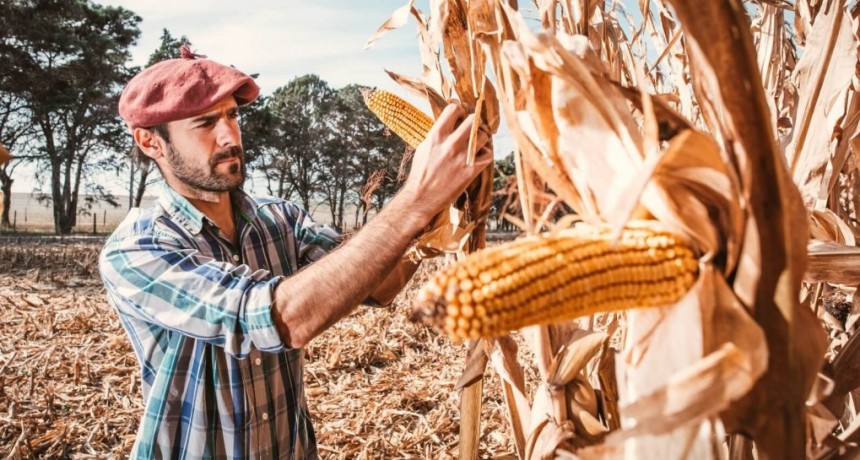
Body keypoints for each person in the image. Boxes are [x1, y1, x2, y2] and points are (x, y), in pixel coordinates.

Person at [99, 45, 492, 459]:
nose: (230, 135)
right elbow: (283, 318)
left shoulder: (280, 219)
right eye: (205, 123)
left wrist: (439, 205)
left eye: (232, 115)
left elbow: (382, 284)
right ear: (150, 142)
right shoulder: (137, 249)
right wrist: (415, 198)